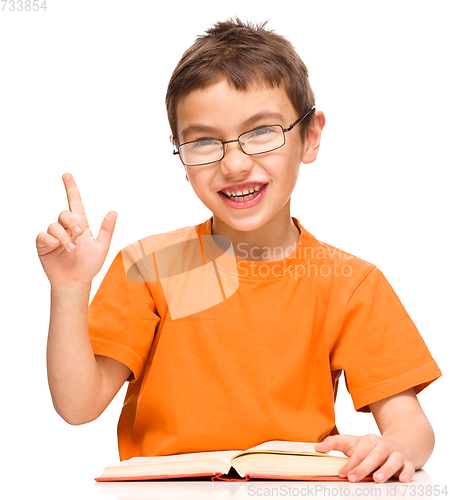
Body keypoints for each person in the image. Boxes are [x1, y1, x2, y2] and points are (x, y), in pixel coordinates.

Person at [36, 18, 441, 484]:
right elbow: (78, 405)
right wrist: (69, 289)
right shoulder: (150, 268)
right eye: (204, 141)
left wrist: (394, 446)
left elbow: (412, 426)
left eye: (263, 131)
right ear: (181, 156)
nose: (233, 163)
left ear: (310, 136)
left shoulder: (348, 283)